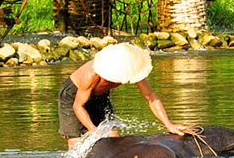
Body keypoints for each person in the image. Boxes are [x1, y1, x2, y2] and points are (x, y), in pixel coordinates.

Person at [57, 42, 190, 149]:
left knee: (114, 137)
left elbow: (150, 96)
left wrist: (169, 124)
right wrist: (93, 130)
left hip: (100, 95)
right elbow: (78, 106)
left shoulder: (132, 69)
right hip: (73, 96)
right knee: (76, 142)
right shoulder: (91, 75)